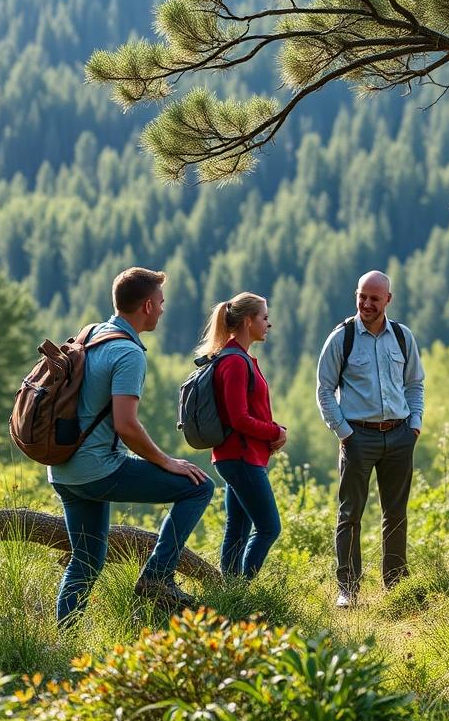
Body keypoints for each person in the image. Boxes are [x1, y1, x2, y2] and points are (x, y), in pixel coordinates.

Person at [48, 267, 214, 627]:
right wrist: (166, 461)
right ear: (149, 305)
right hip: (97, 468)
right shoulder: (127, 353)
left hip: (63, 469)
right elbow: (126, 425)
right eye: (162, 302)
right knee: (198, 487)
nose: (164, 309)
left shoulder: (91, 333)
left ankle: (65, 639)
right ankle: (157, 575)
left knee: (87, 558)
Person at [316, 270, 425, 608]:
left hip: (399, 434)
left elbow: (415, 384)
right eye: (362, 296)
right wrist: (344, 432)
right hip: (357, 437)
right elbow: (323, 390)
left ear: (388, 300)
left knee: (396, 513)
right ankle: (348, 589)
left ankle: (396, 586)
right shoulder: (342, 338)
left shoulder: (403, 338)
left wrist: (415, 425)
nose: (366, 303)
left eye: (374, 298)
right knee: (350, 514)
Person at [199, 293, 286, 579]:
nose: (268, 324)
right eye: (264, 317)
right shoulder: (235, 362)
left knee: (238, 527)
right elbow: (239, 418)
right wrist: (275, 431)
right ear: (248, 321)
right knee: (269, 527)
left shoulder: (234, 357)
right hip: (240, 456)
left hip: (236, 456)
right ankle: (242, 591)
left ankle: (230, 592)